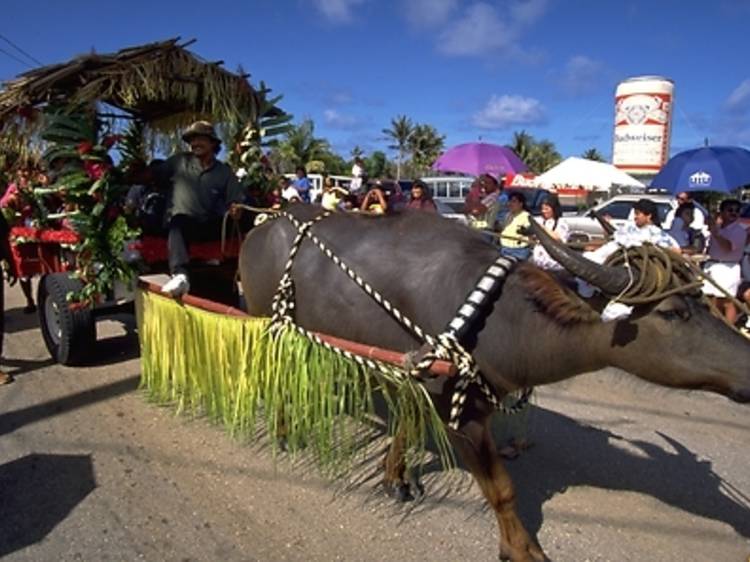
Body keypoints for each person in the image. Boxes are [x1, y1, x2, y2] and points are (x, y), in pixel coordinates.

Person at [160, 121, 244, 297]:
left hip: (208, 225)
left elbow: (236, 200)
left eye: (200, 139)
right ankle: (181, 274)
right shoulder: (179, 162)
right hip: (181, 226)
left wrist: (236, 209)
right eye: (192, 140)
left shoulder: (224, 172)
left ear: (213, 143)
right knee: (178, 221)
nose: (195, 143)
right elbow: (152, 175)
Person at [702, 199, 746, 325]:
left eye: (737, 210)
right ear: (721, 212)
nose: (734, 213)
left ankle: (730, 330)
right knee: (711, 300)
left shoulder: (739, 231)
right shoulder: (717, 229)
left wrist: (715, 234)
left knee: (727, 302)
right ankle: (713, 327)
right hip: (712, 265)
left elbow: (727, 247)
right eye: (730, 210)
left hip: (728, 268)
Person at [531, 194, 569, 270]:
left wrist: (542, 228)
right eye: (542, 209)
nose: (544, 211)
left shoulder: (561, 223)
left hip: (554, 263)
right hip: (538, 261)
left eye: (546, 209)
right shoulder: (541, 220)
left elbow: (559, 239)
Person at [500, 191, 532, 260]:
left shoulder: (526, 216)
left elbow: (530, 233)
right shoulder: (508, 215)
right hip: (505, 248)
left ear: (521, 204)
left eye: (513, 201)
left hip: (518, 251)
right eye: (509, 201)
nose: (510, 204)